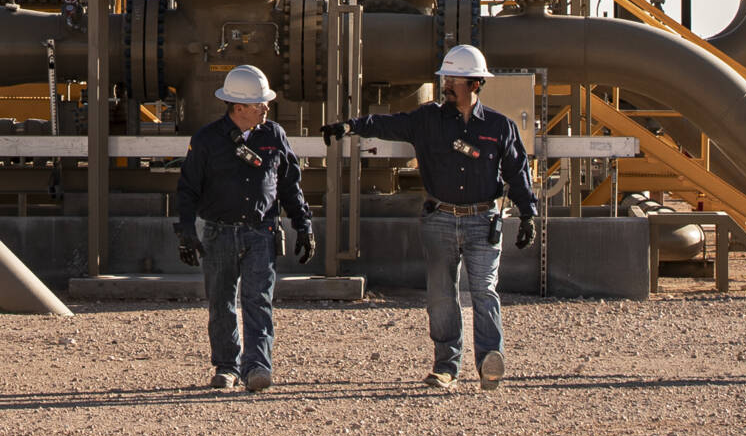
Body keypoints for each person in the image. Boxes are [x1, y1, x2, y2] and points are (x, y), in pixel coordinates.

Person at [320, 43, 537, 392]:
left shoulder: (499, 127)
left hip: (484, 220)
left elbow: (517, 172)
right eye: (446, 77)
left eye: (455, 79)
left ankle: (488, 361)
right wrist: (349, 127)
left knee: (484, 291)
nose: (447, 84)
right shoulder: (426, 120)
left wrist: (528, 215)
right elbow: (387, 124)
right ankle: (446, 366)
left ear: (476, 84)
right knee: (441, 295)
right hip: (439, 220)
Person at [171, 64, 314, 392]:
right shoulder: (207, 140)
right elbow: (188, 188)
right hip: (219, 233)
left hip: (260, 233)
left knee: (258, 300)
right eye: (258, 104)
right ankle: (226, 367)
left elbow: (290, 185)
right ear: (238, 108)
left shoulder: (274, 135)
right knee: (221, 302)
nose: (266, 108)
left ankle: (257, 367)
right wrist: (186, 231)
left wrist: (303, 225)